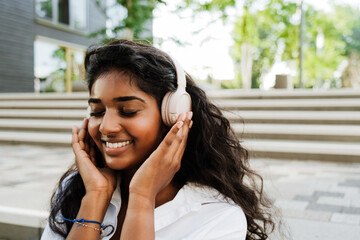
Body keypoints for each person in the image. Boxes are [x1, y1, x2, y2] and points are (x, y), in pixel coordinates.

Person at [41, 39, 275, 240]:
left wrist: (142, 196)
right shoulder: (77, 188)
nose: (106, 127)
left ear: (172, 115)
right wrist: (95, 196)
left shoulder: (217, 216)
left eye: (128, 110)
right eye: (97, 111)